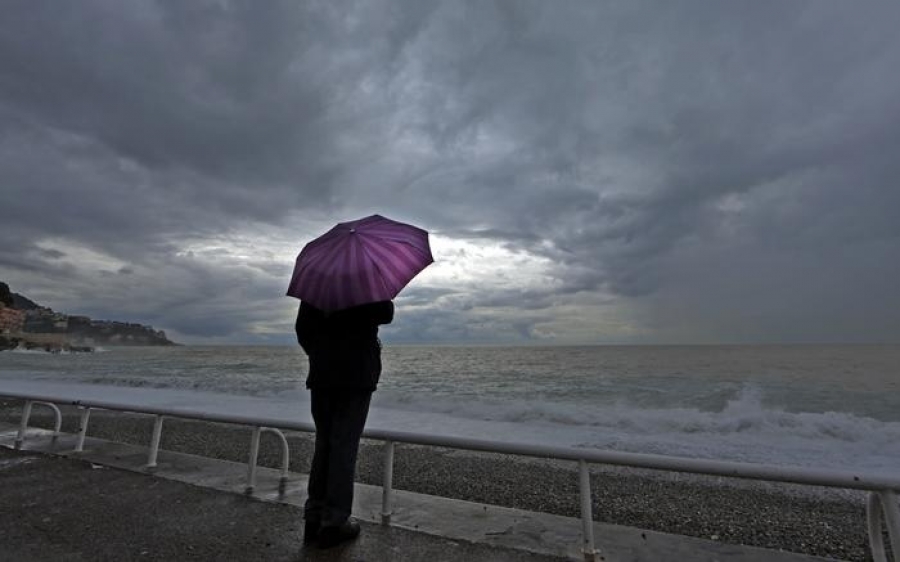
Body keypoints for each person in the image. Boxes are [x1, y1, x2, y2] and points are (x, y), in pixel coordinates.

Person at [295, 299, 394, 548]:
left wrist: (320, 353)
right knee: (343, 446)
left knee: (325, 443)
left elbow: (302, 329)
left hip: (323, 374)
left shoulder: (318, 286)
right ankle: (334, 522)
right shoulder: (366, 285)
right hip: (356, 375)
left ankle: (314, 518)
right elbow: (386, 313)